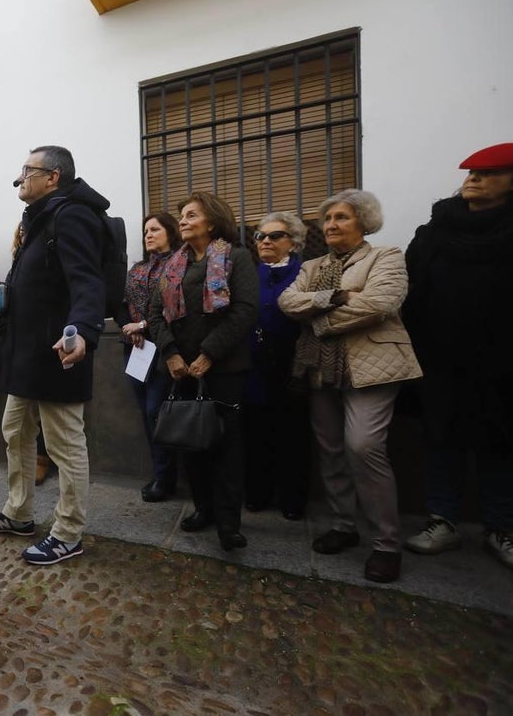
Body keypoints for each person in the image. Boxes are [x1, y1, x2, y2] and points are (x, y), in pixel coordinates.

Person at [0, 145, 106, 565]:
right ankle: (19, 513)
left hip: (57, 352)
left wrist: (82, 331)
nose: (19, 177)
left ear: (54, 177)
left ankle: (68, 531)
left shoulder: (71, 215)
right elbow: (36, 288)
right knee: (15, 432)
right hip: (25, 356)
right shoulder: (40, 220)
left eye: (28, 170)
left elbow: (86, 281)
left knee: (64, 446)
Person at [279, 190, 422, 584]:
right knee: (330, 448)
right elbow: (288, 303)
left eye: (341, 217)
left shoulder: (386, 256)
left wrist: (321, 319)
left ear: (363, 221)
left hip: (372, 367)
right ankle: (344, 524)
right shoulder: (312, 266)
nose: (330, 225)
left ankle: (386, 544)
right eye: (326, 219)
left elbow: (380, 304)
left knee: (364, 445)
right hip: (320, 369)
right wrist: (338, 296)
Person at [402, 143, 513, 569]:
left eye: (488, 173)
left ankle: (500, 526)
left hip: (501, 360)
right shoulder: (435, 231)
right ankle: (442, 520)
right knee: (440, 439)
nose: (474, 179)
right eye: (471, 173)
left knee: (499, 444)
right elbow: (412, 289)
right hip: (440, 355)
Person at [148, 192, 259, 552]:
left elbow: (244, 310)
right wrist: (171, 354)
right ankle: (202, 509)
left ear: (211, 222)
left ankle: (229, 522)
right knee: (190, 442)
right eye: (181, 215)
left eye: (191, 215)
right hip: (180, 370)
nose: (183, 220)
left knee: (227, 445)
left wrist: (209, 354)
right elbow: (154, 315)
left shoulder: (236, 258)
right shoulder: (171, 265)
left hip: (224, 368)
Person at [243, 212, 311, 521]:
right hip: (253, 365)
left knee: (292, 435)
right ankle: (257, 493)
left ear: (293, 243)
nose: (265, 241)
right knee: (256, 433)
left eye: (275, 236)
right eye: (260, 236)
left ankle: (292, 499)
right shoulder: (246, 274)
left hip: (292, 364)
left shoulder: (305, 273)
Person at [115, 213, 179, 503]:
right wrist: (131, 329)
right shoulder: (138, 268)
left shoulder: (179, 264)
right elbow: (123, 305)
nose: (149, 235)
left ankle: (167, 478)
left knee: (157, 411)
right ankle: (160, 474)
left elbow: (175, 309)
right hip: (136, 350)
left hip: (166, 350)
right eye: (145, 231)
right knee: (146, 413)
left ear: (170, 232)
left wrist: (144, 326)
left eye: (155, 229)